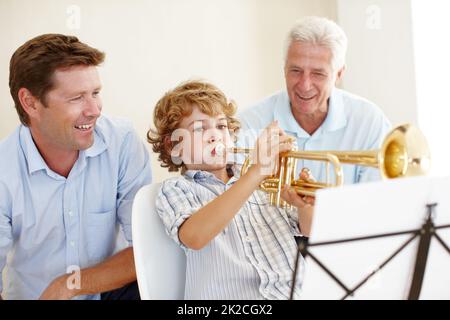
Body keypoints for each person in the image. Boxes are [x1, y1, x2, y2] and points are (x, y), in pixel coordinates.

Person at [0, 34, 152, 300]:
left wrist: (68, 285)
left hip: (109, 294)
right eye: (76, 98)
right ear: (30, 102)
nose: (94, 110)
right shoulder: (4, 168)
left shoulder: (123, 142)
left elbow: (148, 248)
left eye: (95, 93)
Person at [147, 80, 314, 300]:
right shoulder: (176, 190)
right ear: (173, 145)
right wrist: (255, 173)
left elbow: (310, 230)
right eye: (199, 128)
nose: (215, 135)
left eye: (221, 126)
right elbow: (195, 236)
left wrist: (306, 205)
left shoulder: (264, 183)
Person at [239, 16, 392, 192]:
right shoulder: (249, 123)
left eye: (318, 74)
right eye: (295, 71)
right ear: (284, 69)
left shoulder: (369, 122)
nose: (305, 85)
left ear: (339, 74)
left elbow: (375, 204)